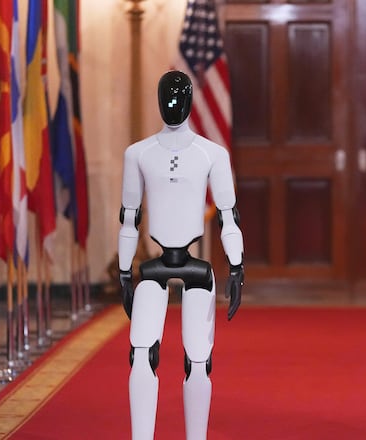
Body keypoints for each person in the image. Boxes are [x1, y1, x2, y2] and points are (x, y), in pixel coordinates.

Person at [118, 70, 244, 440]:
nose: (173, 104)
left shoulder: (212, 154)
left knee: (199, 361)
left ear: (190, 100)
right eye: (167, 97)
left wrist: (237, 266)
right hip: (154, 267)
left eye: (179, 97)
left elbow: (228, 215)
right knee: (141, 353)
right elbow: (129, 216)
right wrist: (124, 271)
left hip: (195, 269)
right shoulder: (138, 154)